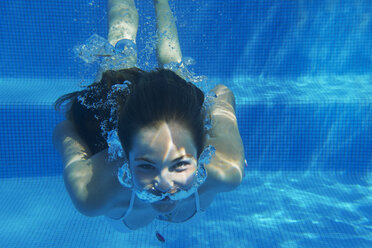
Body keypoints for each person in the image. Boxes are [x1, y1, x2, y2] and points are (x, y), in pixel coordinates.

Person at [53, 0, 245, 233]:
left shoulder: (226, 169)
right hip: (125, 122)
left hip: (170, 124)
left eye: (180, 164)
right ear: (123, 153)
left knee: (174, 71)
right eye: (146, 165)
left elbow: (222, 93)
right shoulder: (91, 192)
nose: (164, 186)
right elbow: (64, 130)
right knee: (118, 65)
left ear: (202, 152)